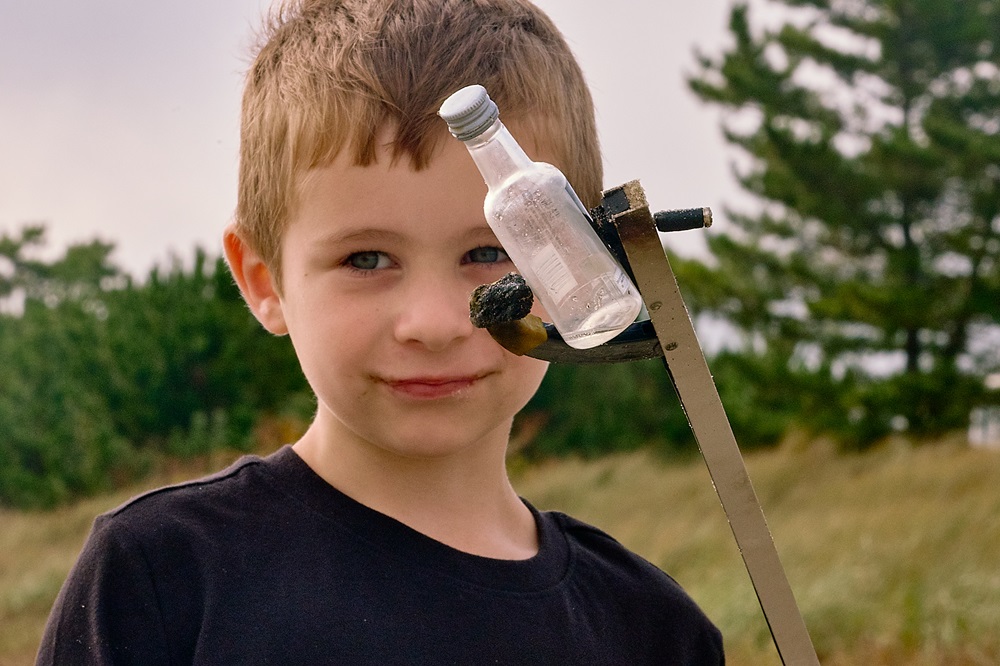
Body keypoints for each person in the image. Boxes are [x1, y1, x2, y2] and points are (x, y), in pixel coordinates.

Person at [37, 0, 724, 663]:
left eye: (490, 253)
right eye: (366, 259)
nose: (432, 323)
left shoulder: (653, 631)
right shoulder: (162, 578)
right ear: (263, 280)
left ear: (583, 258)